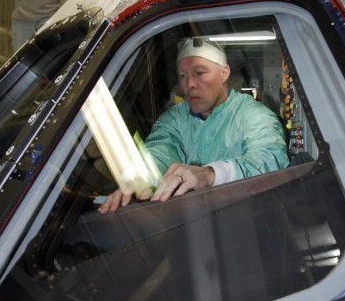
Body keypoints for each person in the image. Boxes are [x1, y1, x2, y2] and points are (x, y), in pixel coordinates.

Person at [99, 37, 289, 213]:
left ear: (224, 73)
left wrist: (209, 175)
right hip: (191, 228)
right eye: (182, 76)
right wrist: (141, 180)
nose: (189, 84)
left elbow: (270, 162)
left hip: (249, 222)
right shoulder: (174, 118)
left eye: (199, 73)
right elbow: (159, 149)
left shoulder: (255, 116)